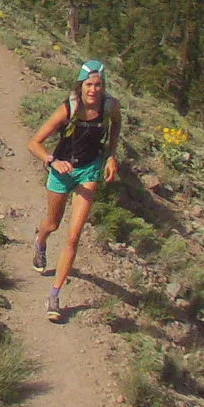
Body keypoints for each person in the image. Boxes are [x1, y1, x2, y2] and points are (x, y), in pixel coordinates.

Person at [27, 58, 120, 321]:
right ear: (81, 85)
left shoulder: (110, 106)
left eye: (98, 85)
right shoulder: (68, 108)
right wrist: (52, 161)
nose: (94, 90)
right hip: (61, 171)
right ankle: (40, 241)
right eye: (89, 84)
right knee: (53, 224)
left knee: (73, 236)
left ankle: (54, 296)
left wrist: (111, 156)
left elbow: (116, 127)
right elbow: (34, 142)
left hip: (89, 171)